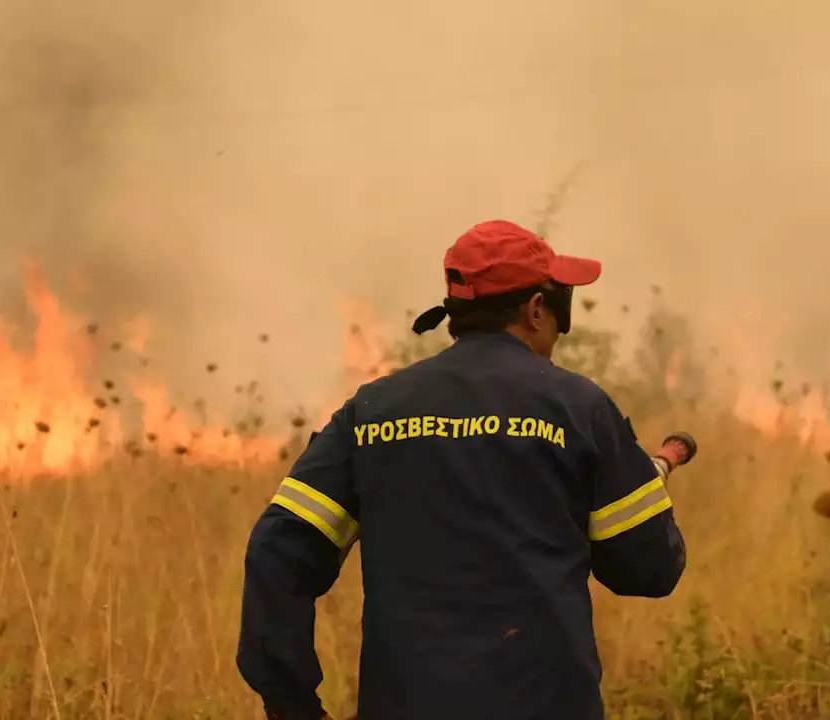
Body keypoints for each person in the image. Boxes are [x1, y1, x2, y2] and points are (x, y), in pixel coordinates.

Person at [237, 219, 691, 720]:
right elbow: (648, 570)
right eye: (562, 304)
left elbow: (277, 554)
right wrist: (642, 492)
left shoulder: (371, 412)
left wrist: (292, 704)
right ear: (536, 309)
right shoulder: (579, 410)